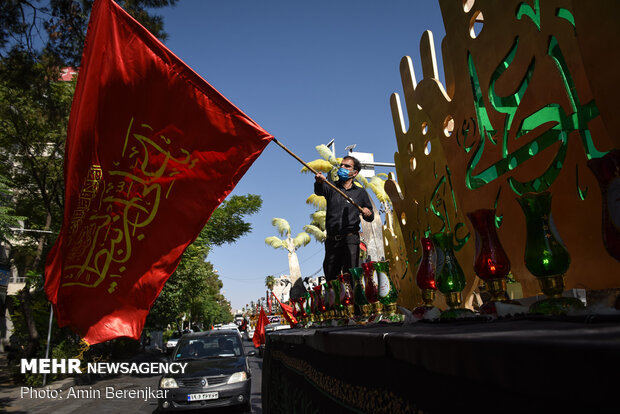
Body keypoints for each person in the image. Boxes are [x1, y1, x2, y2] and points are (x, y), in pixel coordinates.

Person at [314, 155, 374, 282]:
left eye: (347, 166)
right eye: (341, 165)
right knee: (331, 279)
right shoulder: (331, 186)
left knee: (351, 277)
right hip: (332, 241)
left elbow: (370, 216)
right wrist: (319, 182)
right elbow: (319, 191)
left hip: (351, 241)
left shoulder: (360, 192)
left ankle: (353, 302)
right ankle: (335, 302)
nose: (342, 167)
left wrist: (367, 213)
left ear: (355, 173)